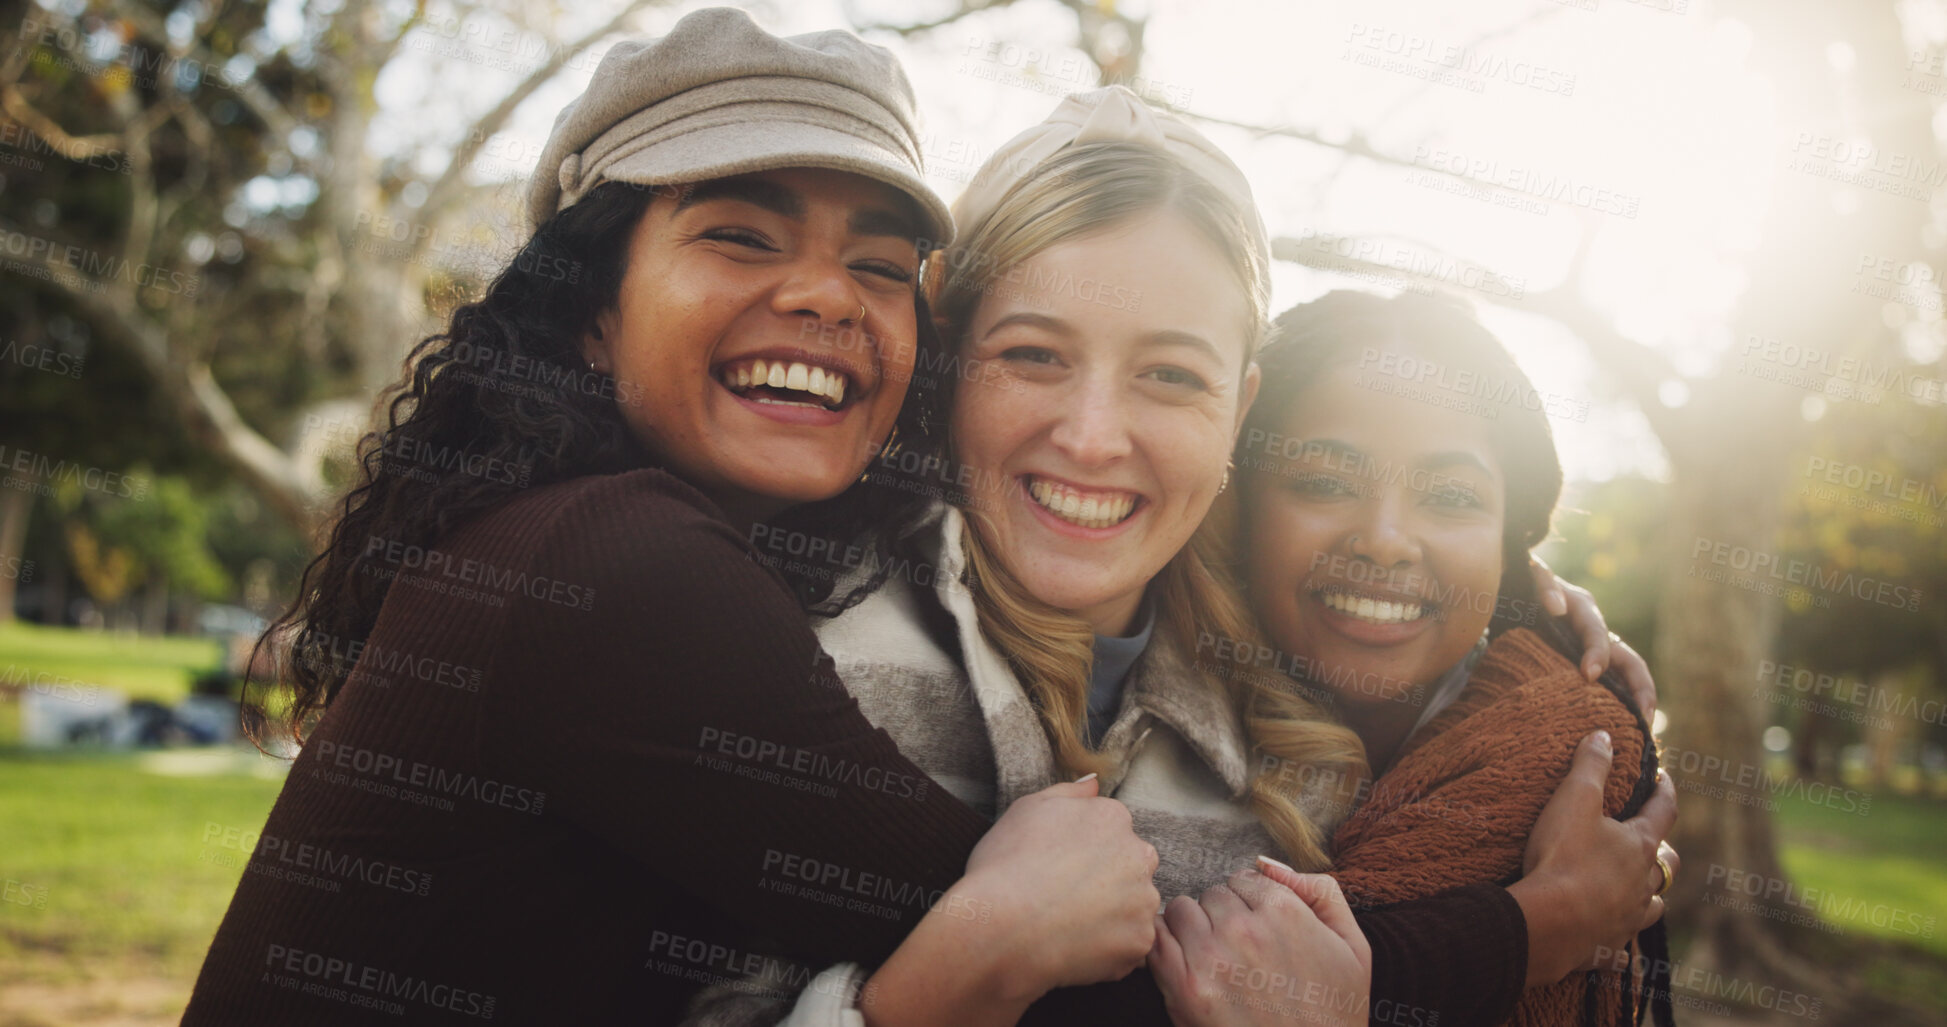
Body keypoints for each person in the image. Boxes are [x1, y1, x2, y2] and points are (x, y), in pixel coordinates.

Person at [184, 11, 1171, 1024]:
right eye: (741, 236)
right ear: (592, 314)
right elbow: (1079, 985)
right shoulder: (614, 564)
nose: (829, 295)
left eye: (881, 267)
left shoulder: (637, 548)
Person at [688, 87, 1676, 1027]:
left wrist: (1523, 593)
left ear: (1236, 414)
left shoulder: (1291, 734)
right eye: (1035, 354)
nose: (1092, 436)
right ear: (945, 356)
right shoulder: (791, 655)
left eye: (1170, 375)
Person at [1230, 290, 1677, 1025]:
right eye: (1322, 482)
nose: (1383, 537)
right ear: (1234, 497)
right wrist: (1520, 932)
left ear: (1507, 538)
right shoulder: (1115, 710)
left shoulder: (1571, 758)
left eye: (1451, 496)